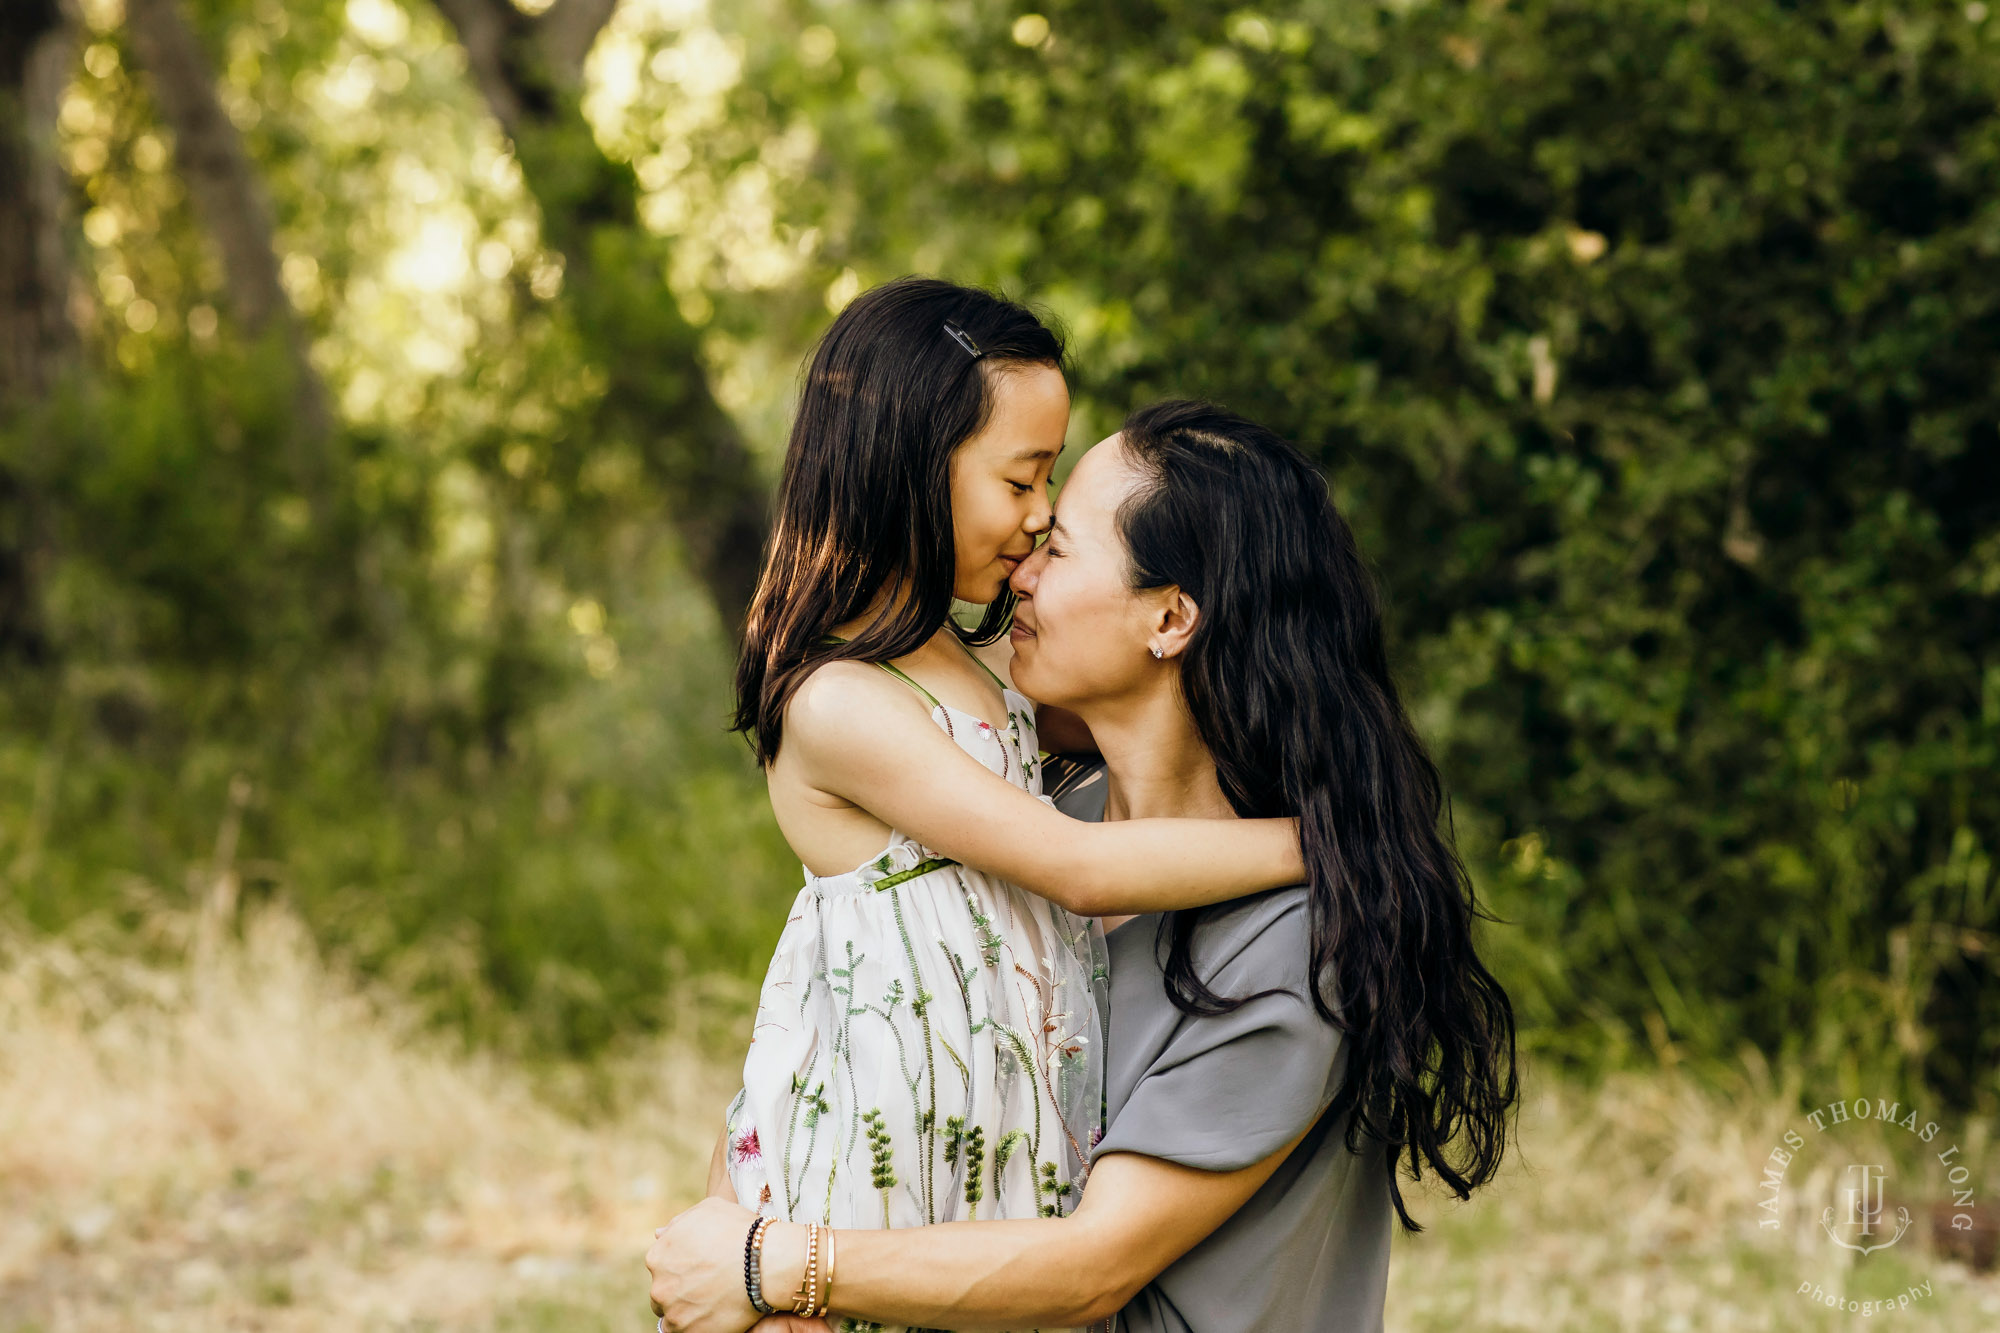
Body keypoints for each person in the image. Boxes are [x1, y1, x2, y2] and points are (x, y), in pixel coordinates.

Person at [652, 400, 1519, 1333]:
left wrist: (783, 1265)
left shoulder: (1296, 940)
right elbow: (824, 1032)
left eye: (1058, 548)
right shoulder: (1035, 823)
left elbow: (1090, 1271)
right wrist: (750, 1254)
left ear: (1170, 616)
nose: (1018, 570)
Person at [718, 281, 1309, 1323]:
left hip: (988, 1154)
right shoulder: (840, 704)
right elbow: (1075, 868)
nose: (1039, 522)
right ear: (908, 467)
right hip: (877, 1164)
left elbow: (1165, 691)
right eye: (1023, 478)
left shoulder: (983, 662)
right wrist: (1318, 845)